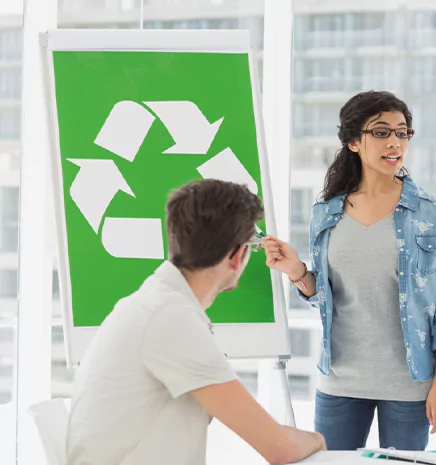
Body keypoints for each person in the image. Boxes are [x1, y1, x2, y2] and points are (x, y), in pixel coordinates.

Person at [66, 179, 326, 465]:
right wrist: (320, 441)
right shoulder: (170, 319)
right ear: (237, 256)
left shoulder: (157, 303)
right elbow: (282, 448)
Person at [262, 90, 436, 452]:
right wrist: (296, 271)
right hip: (340, 380)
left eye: (402, 133)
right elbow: (325, 296)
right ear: (354, 141)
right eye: (382, 132)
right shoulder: (325, 211)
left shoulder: (431, 212)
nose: (395, 142)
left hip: (409, 382)